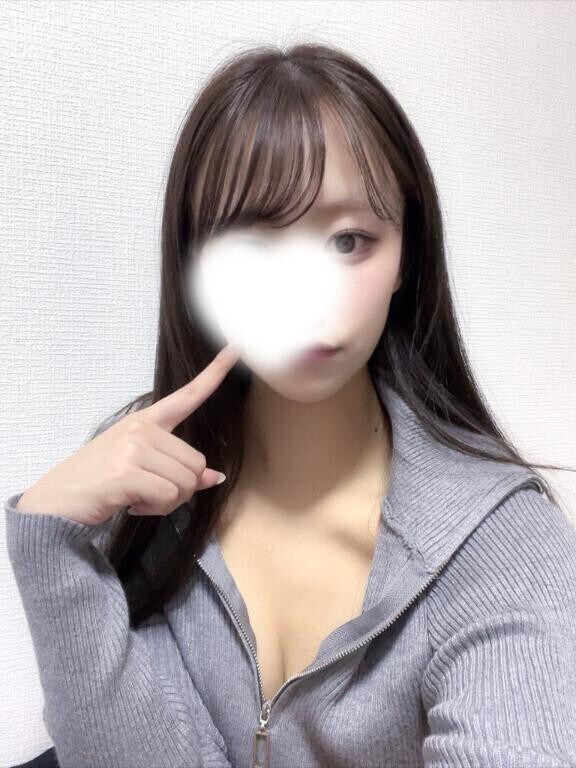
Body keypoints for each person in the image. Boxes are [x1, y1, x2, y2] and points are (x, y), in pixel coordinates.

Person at [5, 43, 576, 768]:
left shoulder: (500, 543)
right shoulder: (145, 481)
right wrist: (52, 545)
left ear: (407, 256)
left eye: (349, 240)